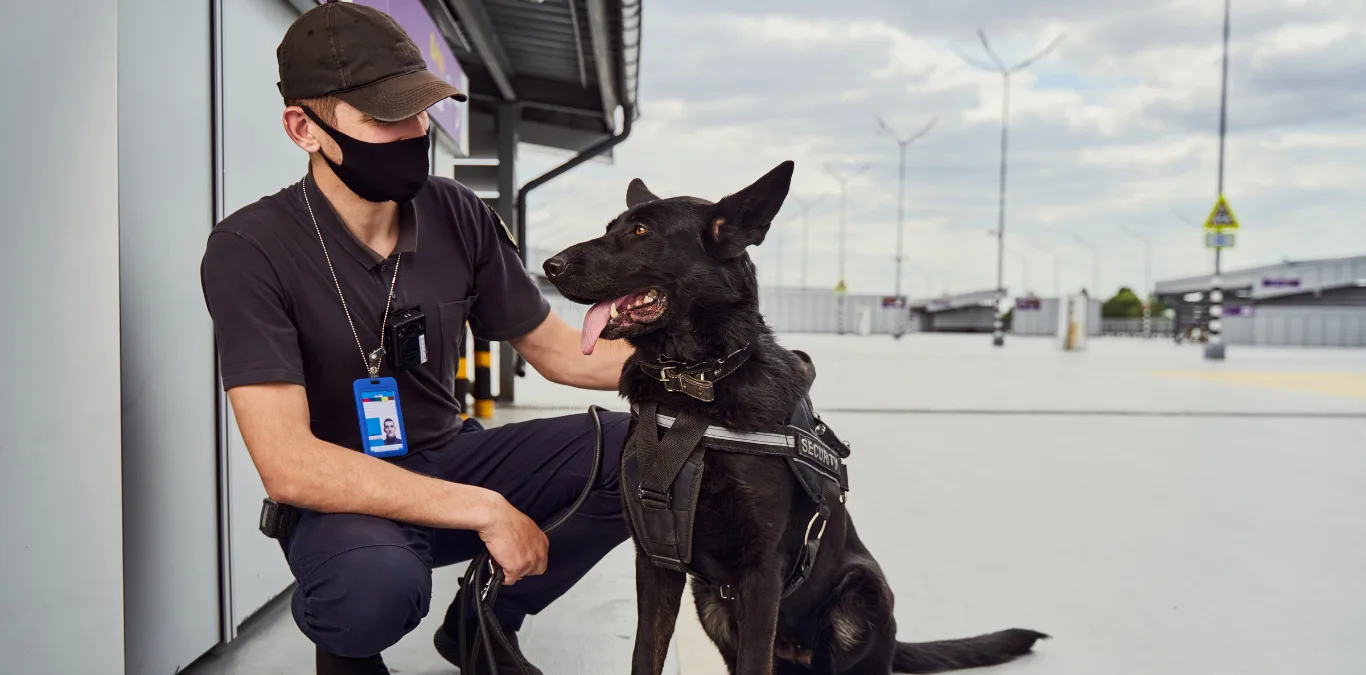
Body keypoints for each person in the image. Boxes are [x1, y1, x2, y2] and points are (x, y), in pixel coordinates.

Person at [198, 3, 633, 674]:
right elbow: (288, 463)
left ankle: (479, 624)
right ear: (303, 129)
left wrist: (712, 369)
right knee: (372, 588)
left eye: (418, 110)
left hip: (449, 455)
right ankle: (348, 654)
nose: (412, 132)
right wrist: (486, 508)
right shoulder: (249, 249)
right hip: (341, 495)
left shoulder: (457, 213)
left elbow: (556, 350)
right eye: (384, 116)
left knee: (639, 455)